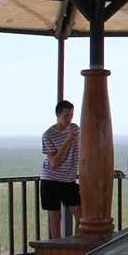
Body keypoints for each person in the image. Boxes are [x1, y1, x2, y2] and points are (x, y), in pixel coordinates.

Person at [40, 100, 81, 239]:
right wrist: (69, 140)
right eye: (66, 115)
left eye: (71, 115)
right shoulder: (48, 135)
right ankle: (56, 248)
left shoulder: (75, 128)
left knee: (81, 214)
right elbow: (54, 162)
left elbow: (84, 151)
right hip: (51, 179)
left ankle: (76, 245)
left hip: (69, 180)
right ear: (58, 115)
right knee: (55, 216)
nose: (69, 118)